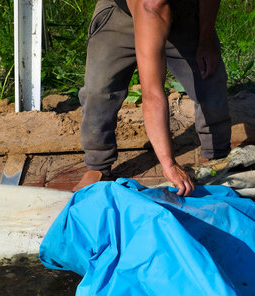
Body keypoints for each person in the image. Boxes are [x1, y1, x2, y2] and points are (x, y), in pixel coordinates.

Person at [73, 0, 231, 196]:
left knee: (210, 82)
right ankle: (97, 165)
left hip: (185, 15)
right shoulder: (151, 5)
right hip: (123, 16)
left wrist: (205, 41)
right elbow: (152, 94)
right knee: (98, 91)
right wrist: (169, 164)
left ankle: (216, 157)